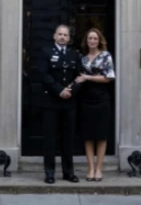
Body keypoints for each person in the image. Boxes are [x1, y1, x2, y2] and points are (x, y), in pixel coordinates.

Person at [38, 24, 83, 184]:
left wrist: (71, 91)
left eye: (65, 35)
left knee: (68, 139)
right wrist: (59, 91)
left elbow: (79, 76)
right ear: (54, 36)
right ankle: (49, 172)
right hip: (51, 102)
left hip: (69, 102)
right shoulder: (46, 52)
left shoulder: (74, 55)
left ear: (69, 38)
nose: (62, 37)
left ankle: (68, 172)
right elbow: (44, 75)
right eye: (60, 34)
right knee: (50, 139)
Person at [76, 28, 116, 182]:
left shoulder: (106, 56)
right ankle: (90, 169)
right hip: (86, 99)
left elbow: (109, 78)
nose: (92, 41)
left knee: (101, 136)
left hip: (101, 99)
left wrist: (87, 77)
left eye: (95, 38)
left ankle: (99, 169)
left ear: (99, 41)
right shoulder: (83, 59)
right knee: (88, 136)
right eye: (89, 38)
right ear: (86, 40)